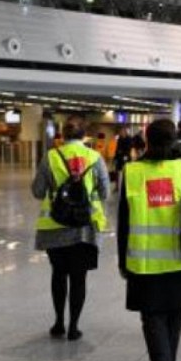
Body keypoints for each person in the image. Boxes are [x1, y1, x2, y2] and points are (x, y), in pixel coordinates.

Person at [117, 119, 181, 361]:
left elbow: (123, 221)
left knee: (151, 317)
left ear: (146, 139)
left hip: (143, 260)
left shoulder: (131, 172)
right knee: (174, 314)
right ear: (175, 139)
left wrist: (122, 260)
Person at [32, 116, 110, 341]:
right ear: (84, 135)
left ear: (63, 135)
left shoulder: (51, 156)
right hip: (85, 228)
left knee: (58, 274)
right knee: (79, 278)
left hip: (55, 226)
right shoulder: (95, 157)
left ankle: (58, 323)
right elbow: (105, 193)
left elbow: (38, 191)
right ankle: (74, 326)